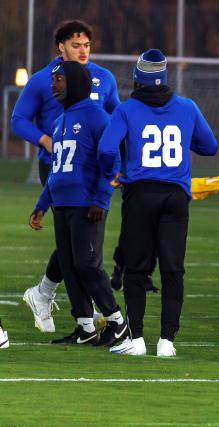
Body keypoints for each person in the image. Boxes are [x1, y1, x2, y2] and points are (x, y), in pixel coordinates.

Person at [99, 49, 218, 357]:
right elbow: (210, 146)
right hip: (176, 197)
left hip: (140, 194)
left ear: (138, 80)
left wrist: (113, 173)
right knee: (173, 269)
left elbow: (106, 148)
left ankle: (136, 339)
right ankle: (167, 342)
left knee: (136, 269)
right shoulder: (187, 107)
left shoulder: (127, 109)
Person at [12, 20, 119, 333]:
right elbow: (19, 120)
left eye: (86, 44)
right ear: (61, 47)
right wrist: (45, 140)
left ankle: (49, 294)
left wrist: (117, 157)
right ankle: (87, 307)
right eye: (76, 45)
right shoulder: (42, 80)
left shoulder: (104, 77)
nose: (82, 50)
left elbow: (117, 117)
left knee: (79, 240)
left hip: (94, 166)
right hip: (59, 166)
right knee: (76, 237)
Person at [29, 61, 126, 346]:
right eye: (52, 79)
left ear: (75, 81)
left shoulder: (98, 117)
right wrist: (41, 204)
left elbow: (112, 163)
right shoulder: (59, 122)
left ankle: (117, 321)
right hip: (61, 204)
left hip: (87, 204)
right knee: (70, 265)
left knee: (87, 263)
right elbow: (57, 170)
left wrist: (101, 198)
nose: (53, 84)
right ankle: (85, 326)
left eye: (58, 79)